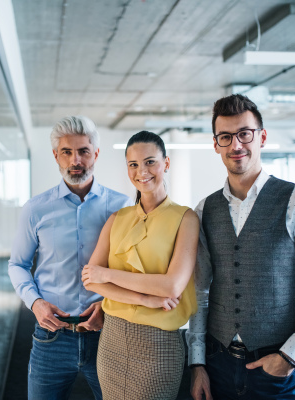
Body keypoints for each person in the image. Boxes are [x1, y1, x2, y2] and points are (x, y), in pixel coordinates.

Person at [187, 94, 295, 400]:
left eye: (245, 134)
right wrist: (197, 363)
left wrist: (290, 356)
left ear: (262, 137)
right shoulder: (204, 210)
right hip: (218, 365)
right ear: (216, 144)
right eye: (225, 137)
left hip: (277, 367)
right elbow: (200, 292)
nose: (236, 145)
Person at [8, 116, 131, 400]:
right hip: (51, 337)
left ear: (96, 154)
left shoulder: (121, 206)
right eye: (67, 152)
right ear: (56, 156)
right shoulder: (35, 209)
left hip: (106, 333)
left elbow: (131, 270)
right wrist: (35, 303)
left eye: (84, 151)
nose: (76, 160)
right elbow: (18, 265)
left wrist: (108, 304)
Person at [81, 131, 199, 399]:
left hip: (158, 344)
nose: (141, 171)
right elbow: (91, 279)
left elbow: (171, 286)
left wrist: (108, 274)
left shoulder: (185, 218)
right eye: (133, 164)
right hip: (112, 338)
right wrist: (144, 299)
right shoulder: (117, 218)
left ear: (166, 164)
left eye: (150, 162)